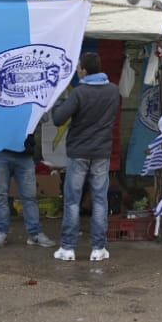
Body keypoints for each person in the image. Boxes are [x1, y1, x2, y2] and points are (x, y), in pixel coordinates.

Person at [50, 51, 121, 262]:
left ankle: (68, 248)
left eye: (79, 67)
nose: (77, 70)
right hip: (101, 153)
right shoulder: (113, 91)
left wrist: (58, 100)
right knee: (100, 200)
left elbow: (57, 119)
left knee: (72, 201)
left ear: (84, 70)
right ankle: (98, 249)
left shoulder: (79, 93)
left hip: (79, 153)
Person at [0, 126, 55, 249]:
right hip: (2, 153)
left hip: (21, 153)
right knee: (2, 195)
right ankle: (4, 232)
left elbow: (43, 115)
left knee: (28, 196)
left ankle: (31, 233)